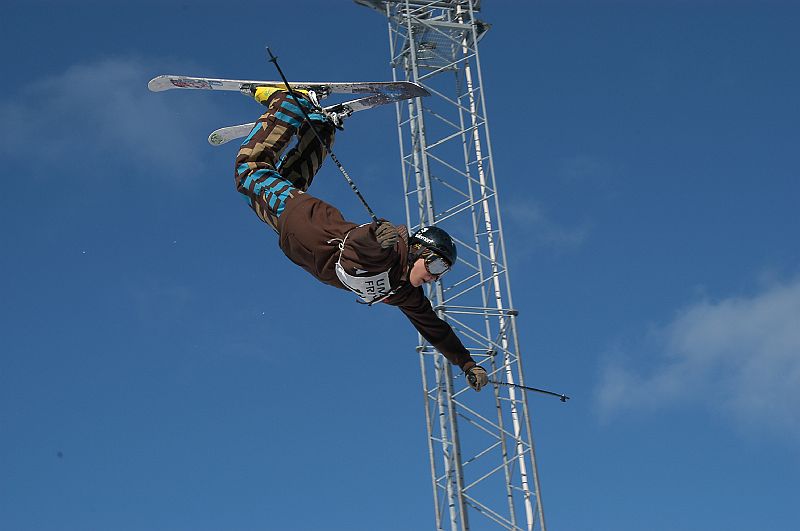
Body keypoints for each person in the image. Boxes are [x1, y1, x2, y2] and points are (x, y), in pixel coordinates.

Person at [233, 87, 488, 391]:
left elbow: (435, 328)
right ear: (418, 251)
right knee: (250, 170)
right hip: (300, 219)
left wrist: (467, 363)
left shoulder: (404, 291)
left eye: (441, 273)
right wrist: (376, 236)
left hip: (296, 234)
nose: (435, 277)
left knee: (286, 179)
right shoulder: (388, 251)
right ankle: (288, 103)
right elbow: (358, 245)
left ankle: (320, 128)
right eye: (435, 266)